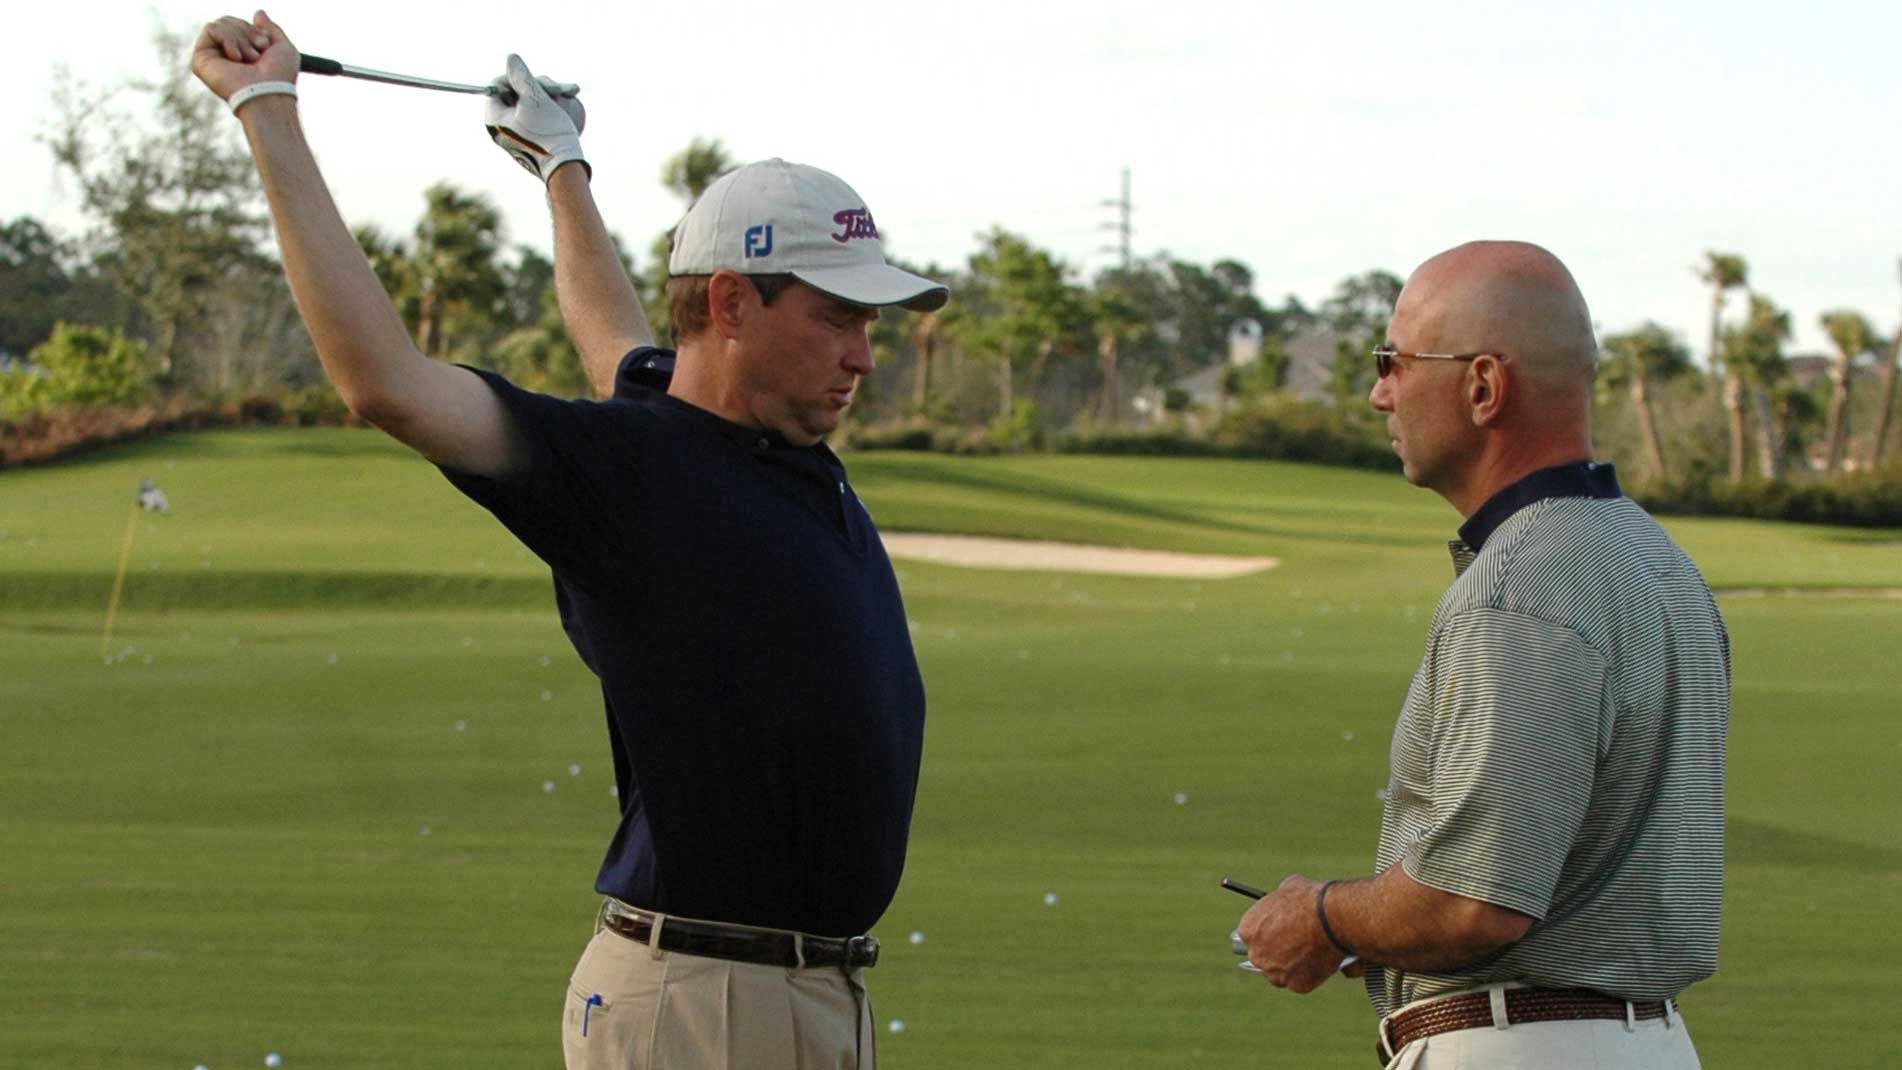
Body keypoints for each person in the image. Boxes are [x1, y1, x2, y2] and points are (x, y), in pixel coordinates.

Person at [190, 14, 948, 1070]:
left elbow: (619, 343)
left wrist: (561, 165)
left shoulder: (735, 443)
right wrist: (266, 109)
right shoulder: (625, 477)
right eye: (838, 318)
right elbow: (386, 381)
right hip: (707, 1007)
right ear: (731, 301)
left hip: (799, 996)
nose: (865, 357)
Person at [1233, 241, 1729, 1069]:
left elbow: (1475, 903)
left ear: (1484, 387)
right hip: (1646, 1043)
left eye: (1392, 361)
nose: (1376, 393)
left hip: (1520, 1047)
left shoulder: (1520, 587)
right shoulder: (1657, 562)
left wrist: (1320, 915)